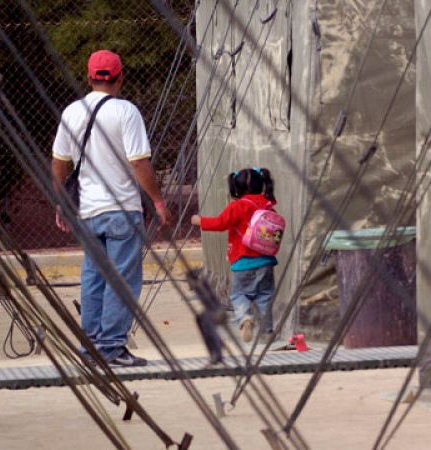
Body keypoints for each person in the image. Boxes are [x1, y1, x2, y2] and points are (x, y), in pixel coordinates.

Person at [51, 49, 171, 367]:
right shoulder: (126, 111)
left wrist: (62, 203)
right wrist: (157, 200)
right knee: (122, 278)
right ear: (120, 78)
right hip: (122, 209)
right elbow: (139, 162)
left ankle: (90, 345)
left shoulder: (71, 113)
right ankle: (112, 346)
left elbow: (59, 164)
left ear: (89, 77)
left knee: (93, 276)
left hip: (88, 212)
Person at [191, 167, 277, 342]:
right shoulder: (268, 205)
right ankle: (267, 332)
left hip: (242, 262)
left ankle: (245, 318)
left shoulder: (238, 206)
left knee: (239, 295)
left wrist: (200, 221)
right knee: (265, 296)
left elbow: (220, 223)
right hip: (266, 262)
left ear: (236, 188)